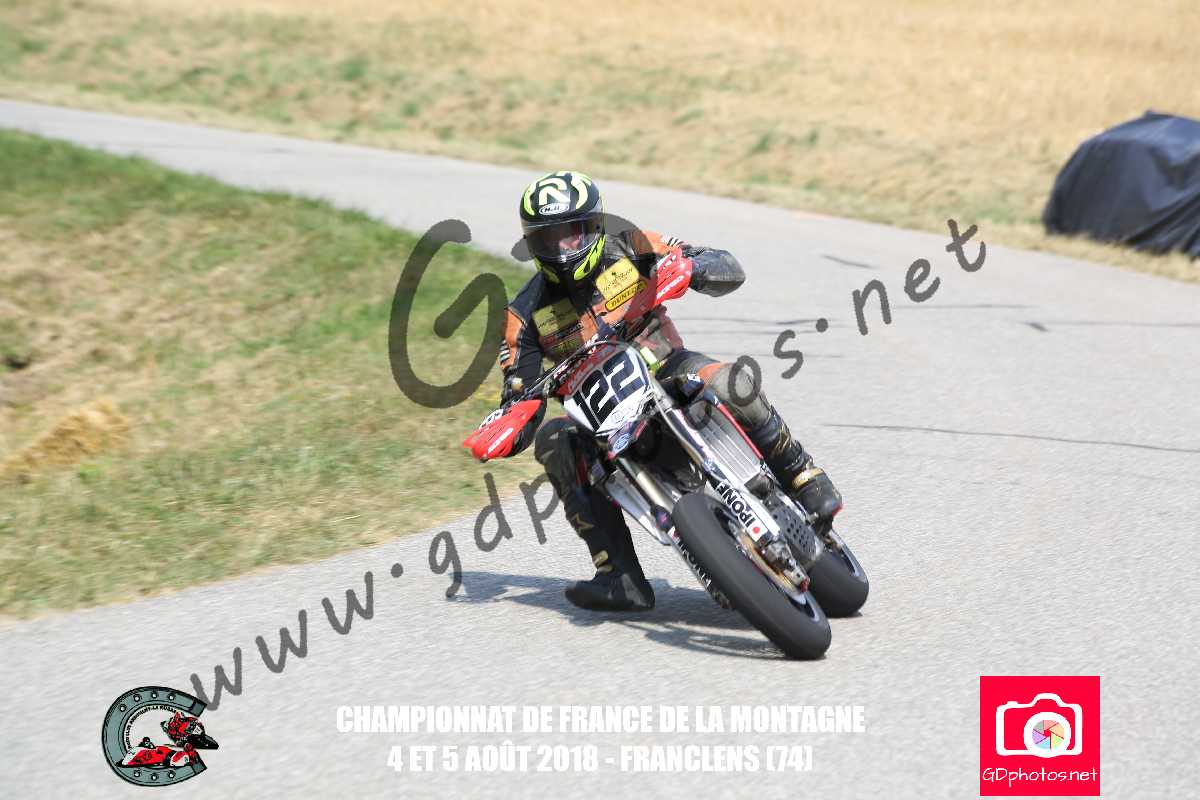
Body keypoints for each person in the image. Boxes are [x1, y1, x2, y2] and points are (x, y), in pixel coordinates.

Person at [474, 170, 842, 611]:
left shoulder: (632, 246)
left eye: (572, 233)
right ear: (532, 244)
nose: (563, 248)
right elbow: (520, 393)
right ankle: (617, 575)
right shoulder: (522, 316)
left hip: (668, 370)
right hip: (601, 420)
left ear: (594, 226)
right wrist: (508, 424)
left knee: (730, 380)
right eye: (548, 239)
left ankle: (802, 473)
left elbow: (726, 265)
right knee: (555, 440)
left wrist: (692, 268)